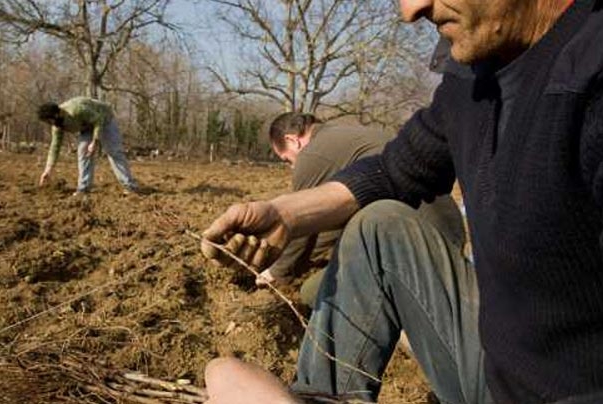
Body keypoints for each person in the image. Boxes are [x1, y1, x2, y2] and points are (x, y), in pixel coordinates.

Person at [200, 0, 603, 403]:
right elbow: (396, 169)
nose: (411, 10)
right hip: (503, 364)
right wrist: (284, 215)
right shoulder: (474, 74)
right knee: (381, 227)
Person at [258, 112, 466, 310]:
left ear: (293, 140)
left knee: (312, 293)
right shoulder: (343, 137)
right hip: (446, 228)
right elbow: (331, 225)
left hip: (418, 242)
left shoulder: (312, 156)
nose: (292, 167)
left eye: (287, 159)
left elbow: (301, 226)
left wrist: (276, 272)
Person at [37, 96, 139, 195]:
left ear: (56, 115)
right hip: (86, 126)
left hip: (103, 118)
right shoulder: (57, 126)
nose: (49, 124)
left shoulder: (76, 110)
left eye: (49, 121)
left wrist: (94, 141)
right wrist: (48, 170)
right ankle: (84, 188)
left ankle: (130, 186)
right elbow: (55, 147)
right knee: (83, 152)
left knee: (113, 151)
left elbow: (98, 120)